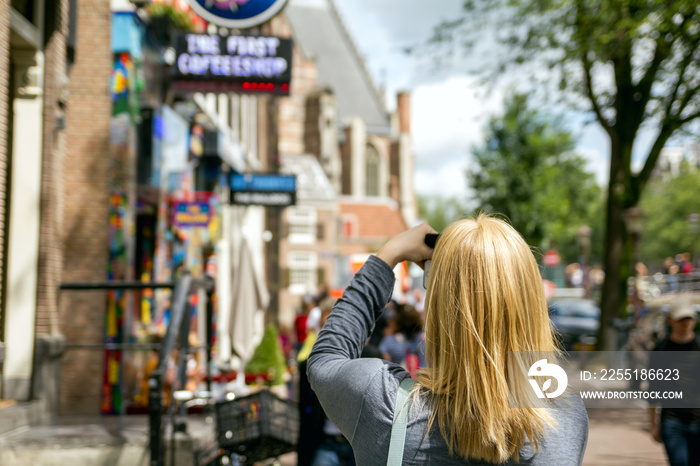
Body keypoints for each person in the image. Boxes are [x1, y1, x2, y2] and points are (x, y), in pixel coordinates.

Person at [307, 215, 588, 465]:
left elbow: (324, 360)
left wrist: (388, 255)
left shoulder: (382, 402)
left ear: (439, 307)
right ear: (531, 304)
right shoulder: (567, 420)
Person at [648, 297, 700, 466]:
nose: (685, 323)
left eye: (689, 319)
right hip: (672, 420)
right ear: (670, 320)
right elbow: (653, 388)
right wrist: (652, 423)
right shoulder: (661, 349)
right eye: (681, 319)